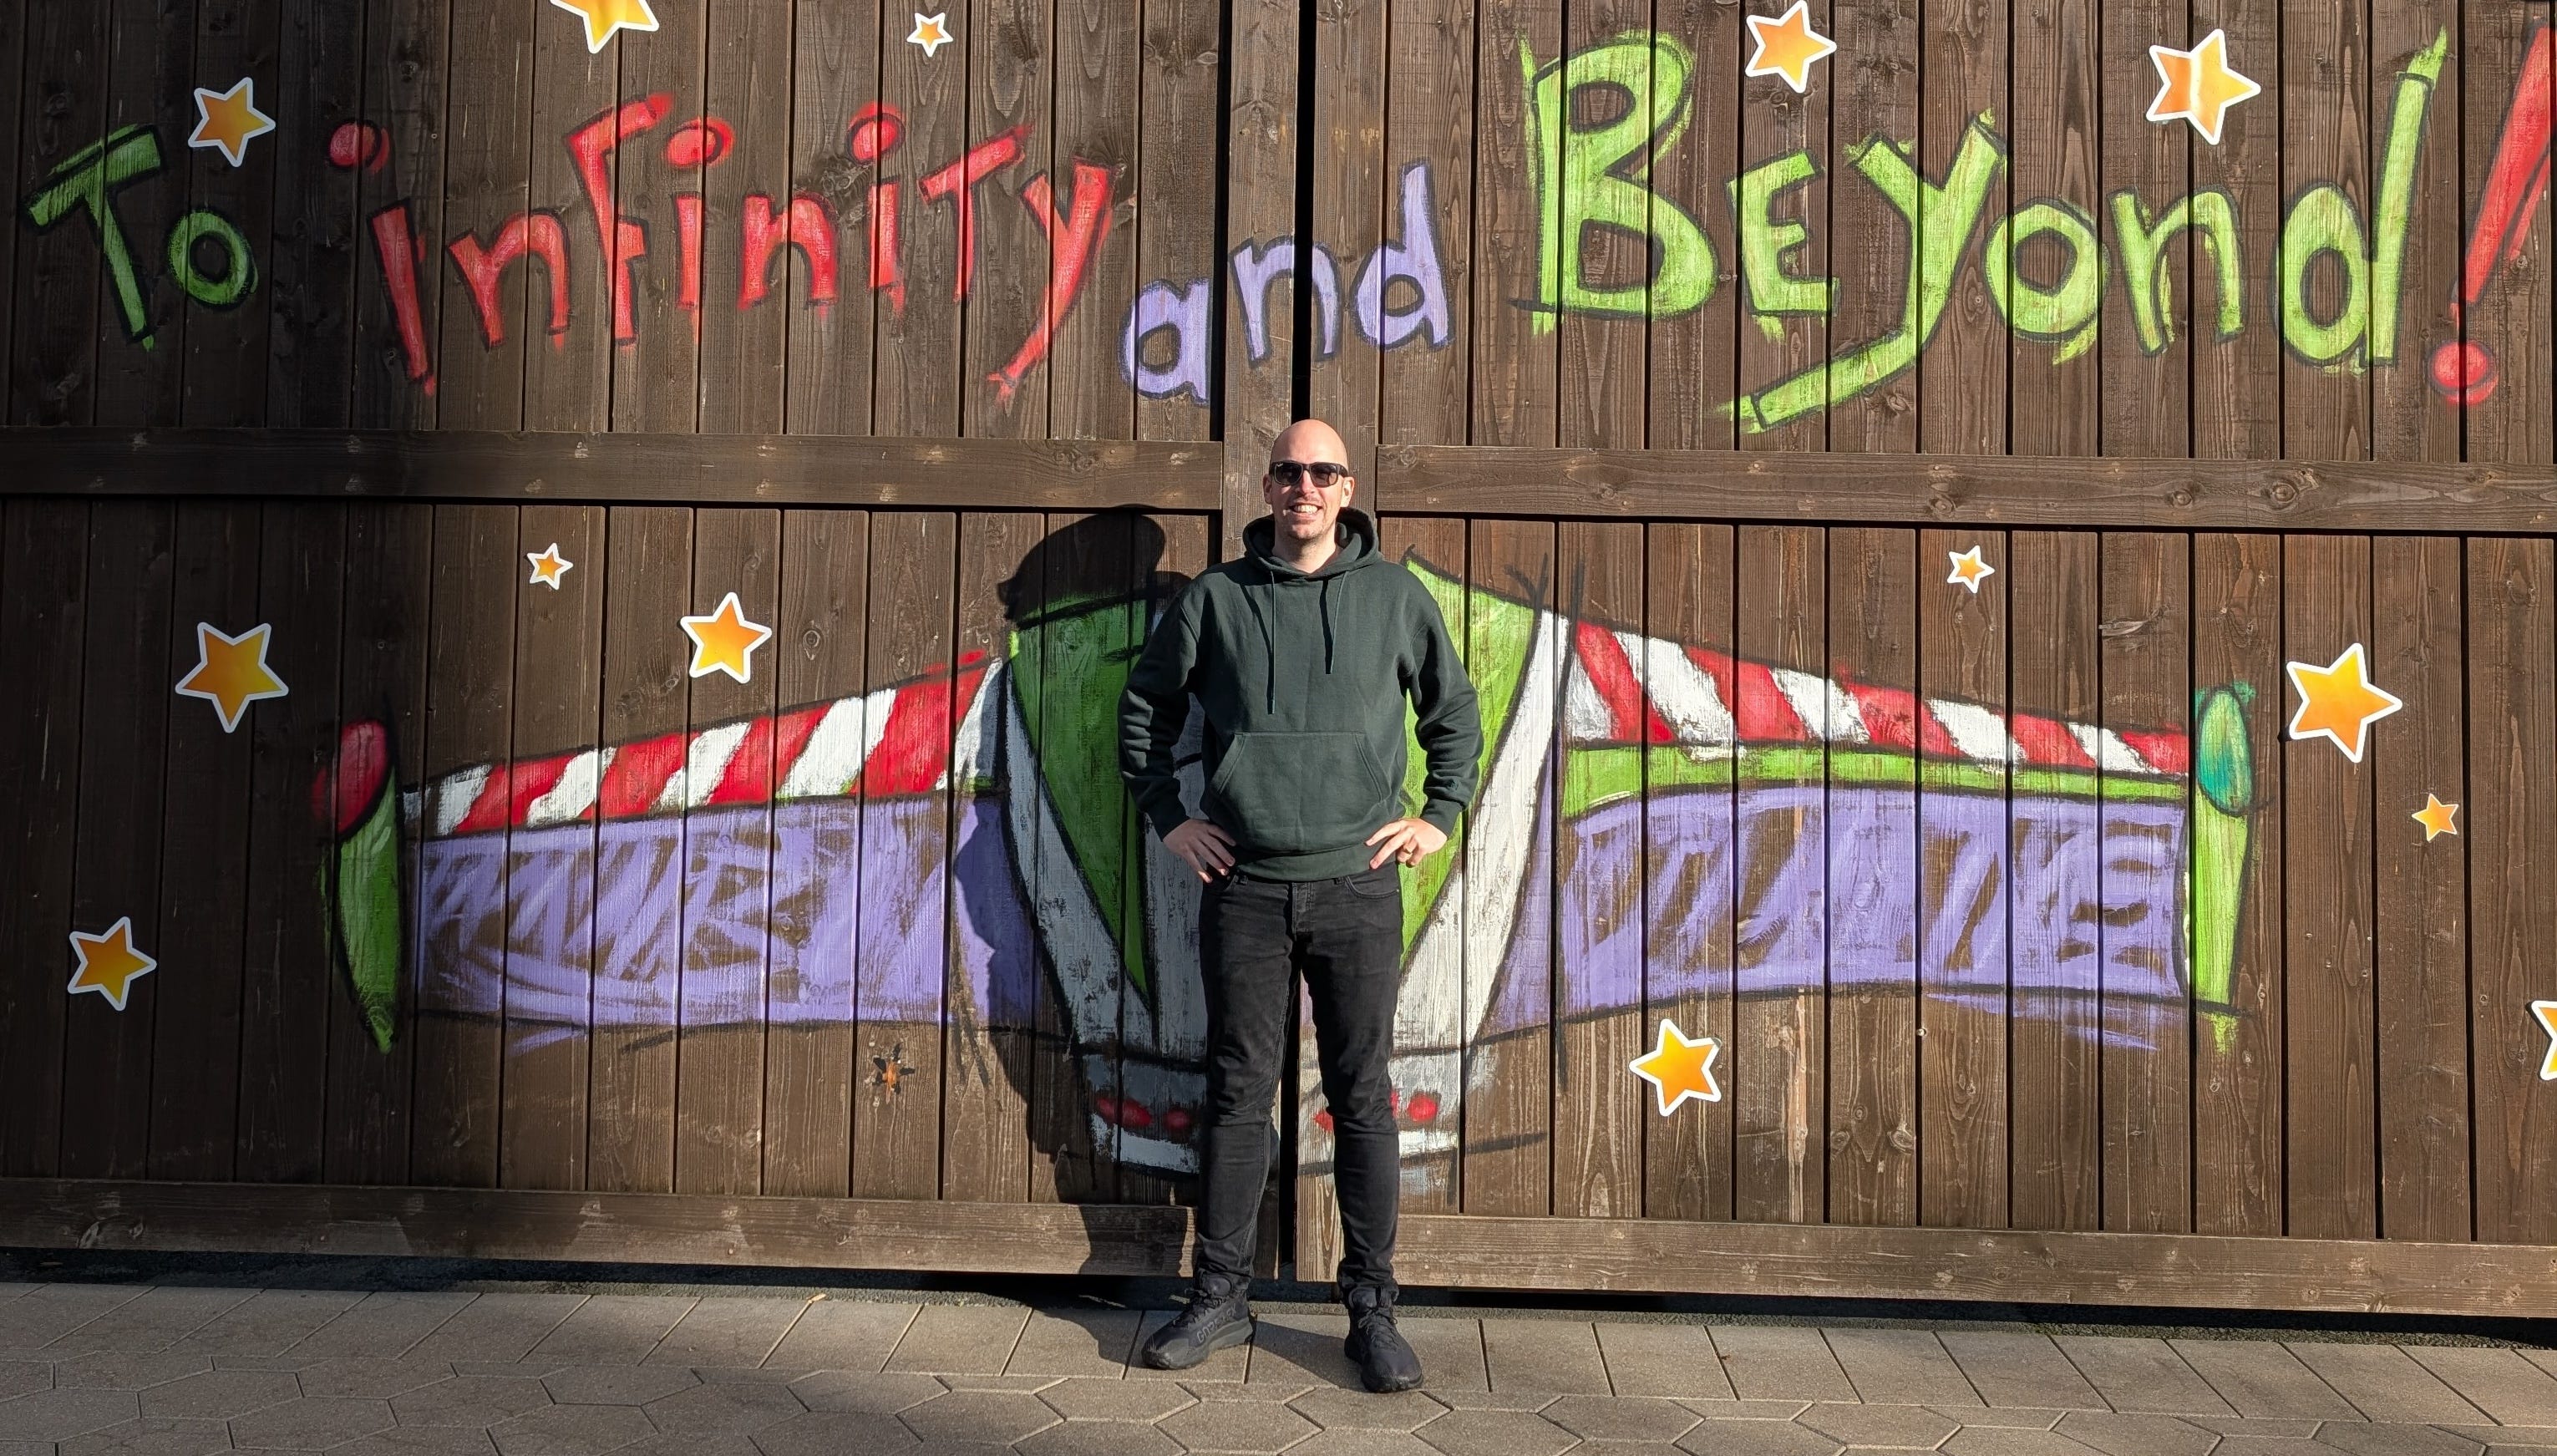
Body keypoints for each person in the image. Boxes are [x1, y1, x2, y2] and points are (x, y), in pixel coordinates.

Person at [1117, 419, 1482, 1393]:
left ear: (1347, 488)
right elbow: (1145, 711)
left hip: (1357, 888)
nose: (1304, 487)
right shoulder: (1216, 599)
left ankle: (1371, 1310)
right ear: (1268, 485)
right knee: (1237, 1094)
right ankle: (1219, 1297)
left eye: (1322, 472)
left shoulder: (1393, 598)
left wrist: (1438, 814)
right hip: (1243, 886)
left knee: (1360, 1097)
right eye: (1288, 471)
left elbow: (1452, 714)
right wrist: (1171, 820)